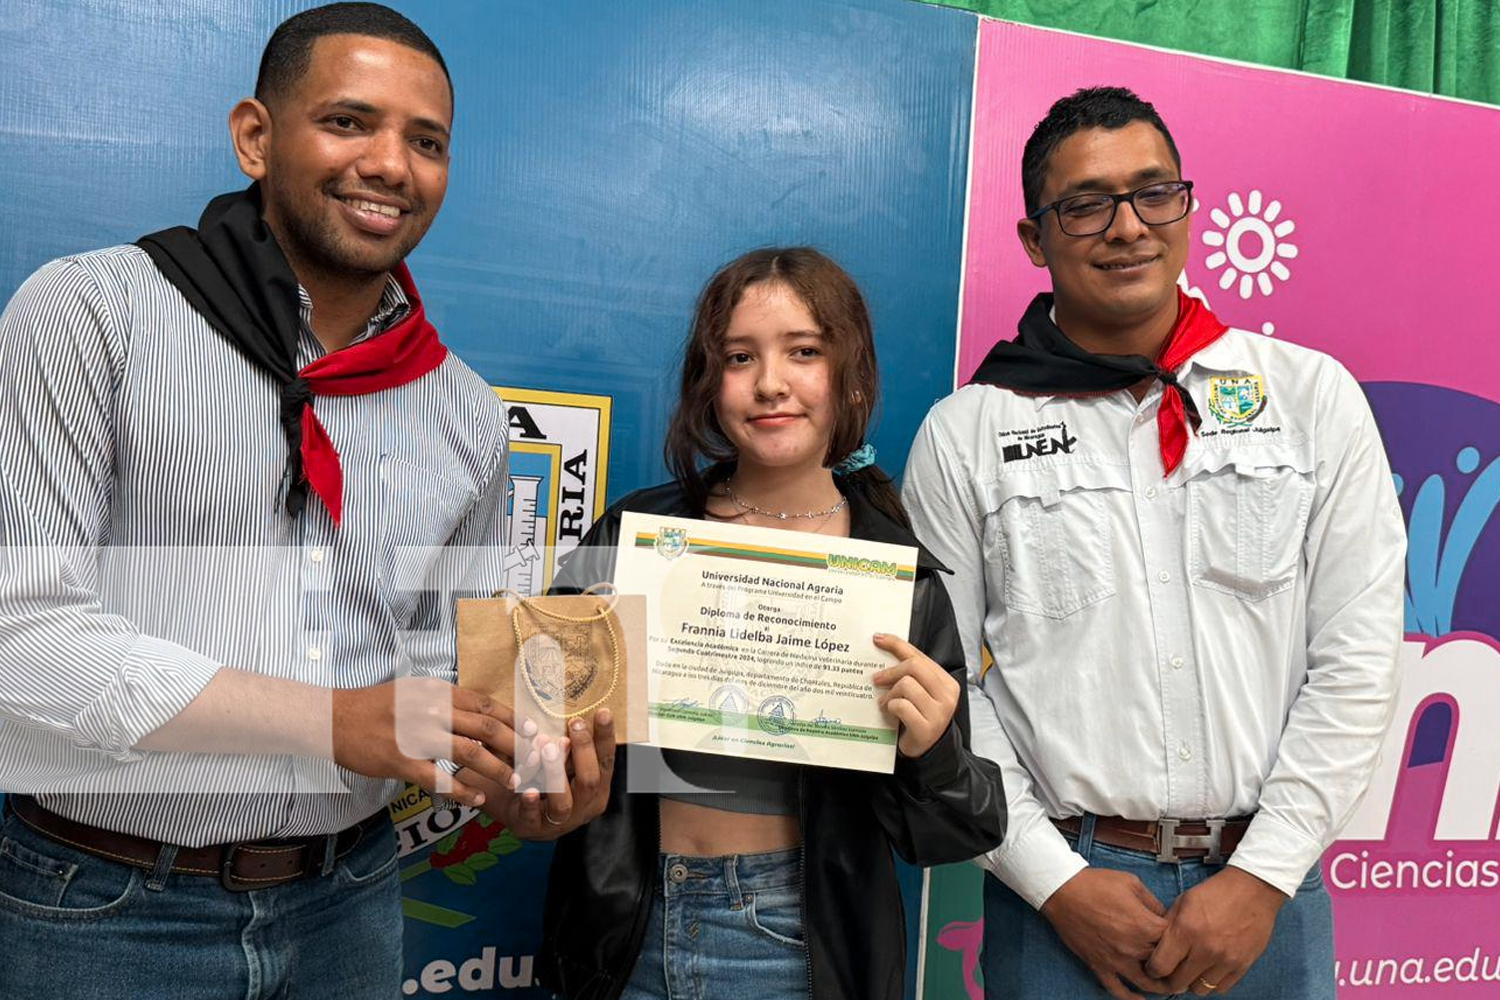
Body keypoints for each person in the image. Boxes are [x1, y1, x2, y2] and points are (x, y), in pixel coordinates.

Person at [0, 5, 608, 998]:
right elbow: (18, 638)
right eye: (348, 122)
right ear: (256, 136)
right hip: (104, 907)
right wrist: (330, 720)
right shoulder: (89, 315)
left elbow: (459, 669)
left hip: (351, 900)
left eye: (426, 142)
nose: (390, 163)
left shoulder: (462, 410)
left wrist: (529, 785)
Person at [903, 86, 1404, 1000]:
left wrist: (1259, 878)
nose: (1127, 227)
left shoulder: (1310, 398)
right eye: (1086, 204)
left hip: (1270, 896)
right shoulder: (966, 433)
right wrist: (1057, 884)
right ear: (1033, 239)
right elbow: (943, 691)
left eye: (1153, 193)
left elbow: (1359, 658)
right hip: (1065, 899)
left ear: (1187, 206)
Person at [530, 247, 1007, 1000]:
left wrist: (933, 748)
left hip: (793, 942)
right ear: (708, 384)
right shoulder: (635, 535)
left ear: (850, 376)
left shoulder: (896, 574)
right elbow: (535, 726)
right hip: (626, 921)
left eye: (804, 353)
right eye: (740, 357)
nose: (771, 383)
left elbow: (955, 835)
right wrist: (546, 735)